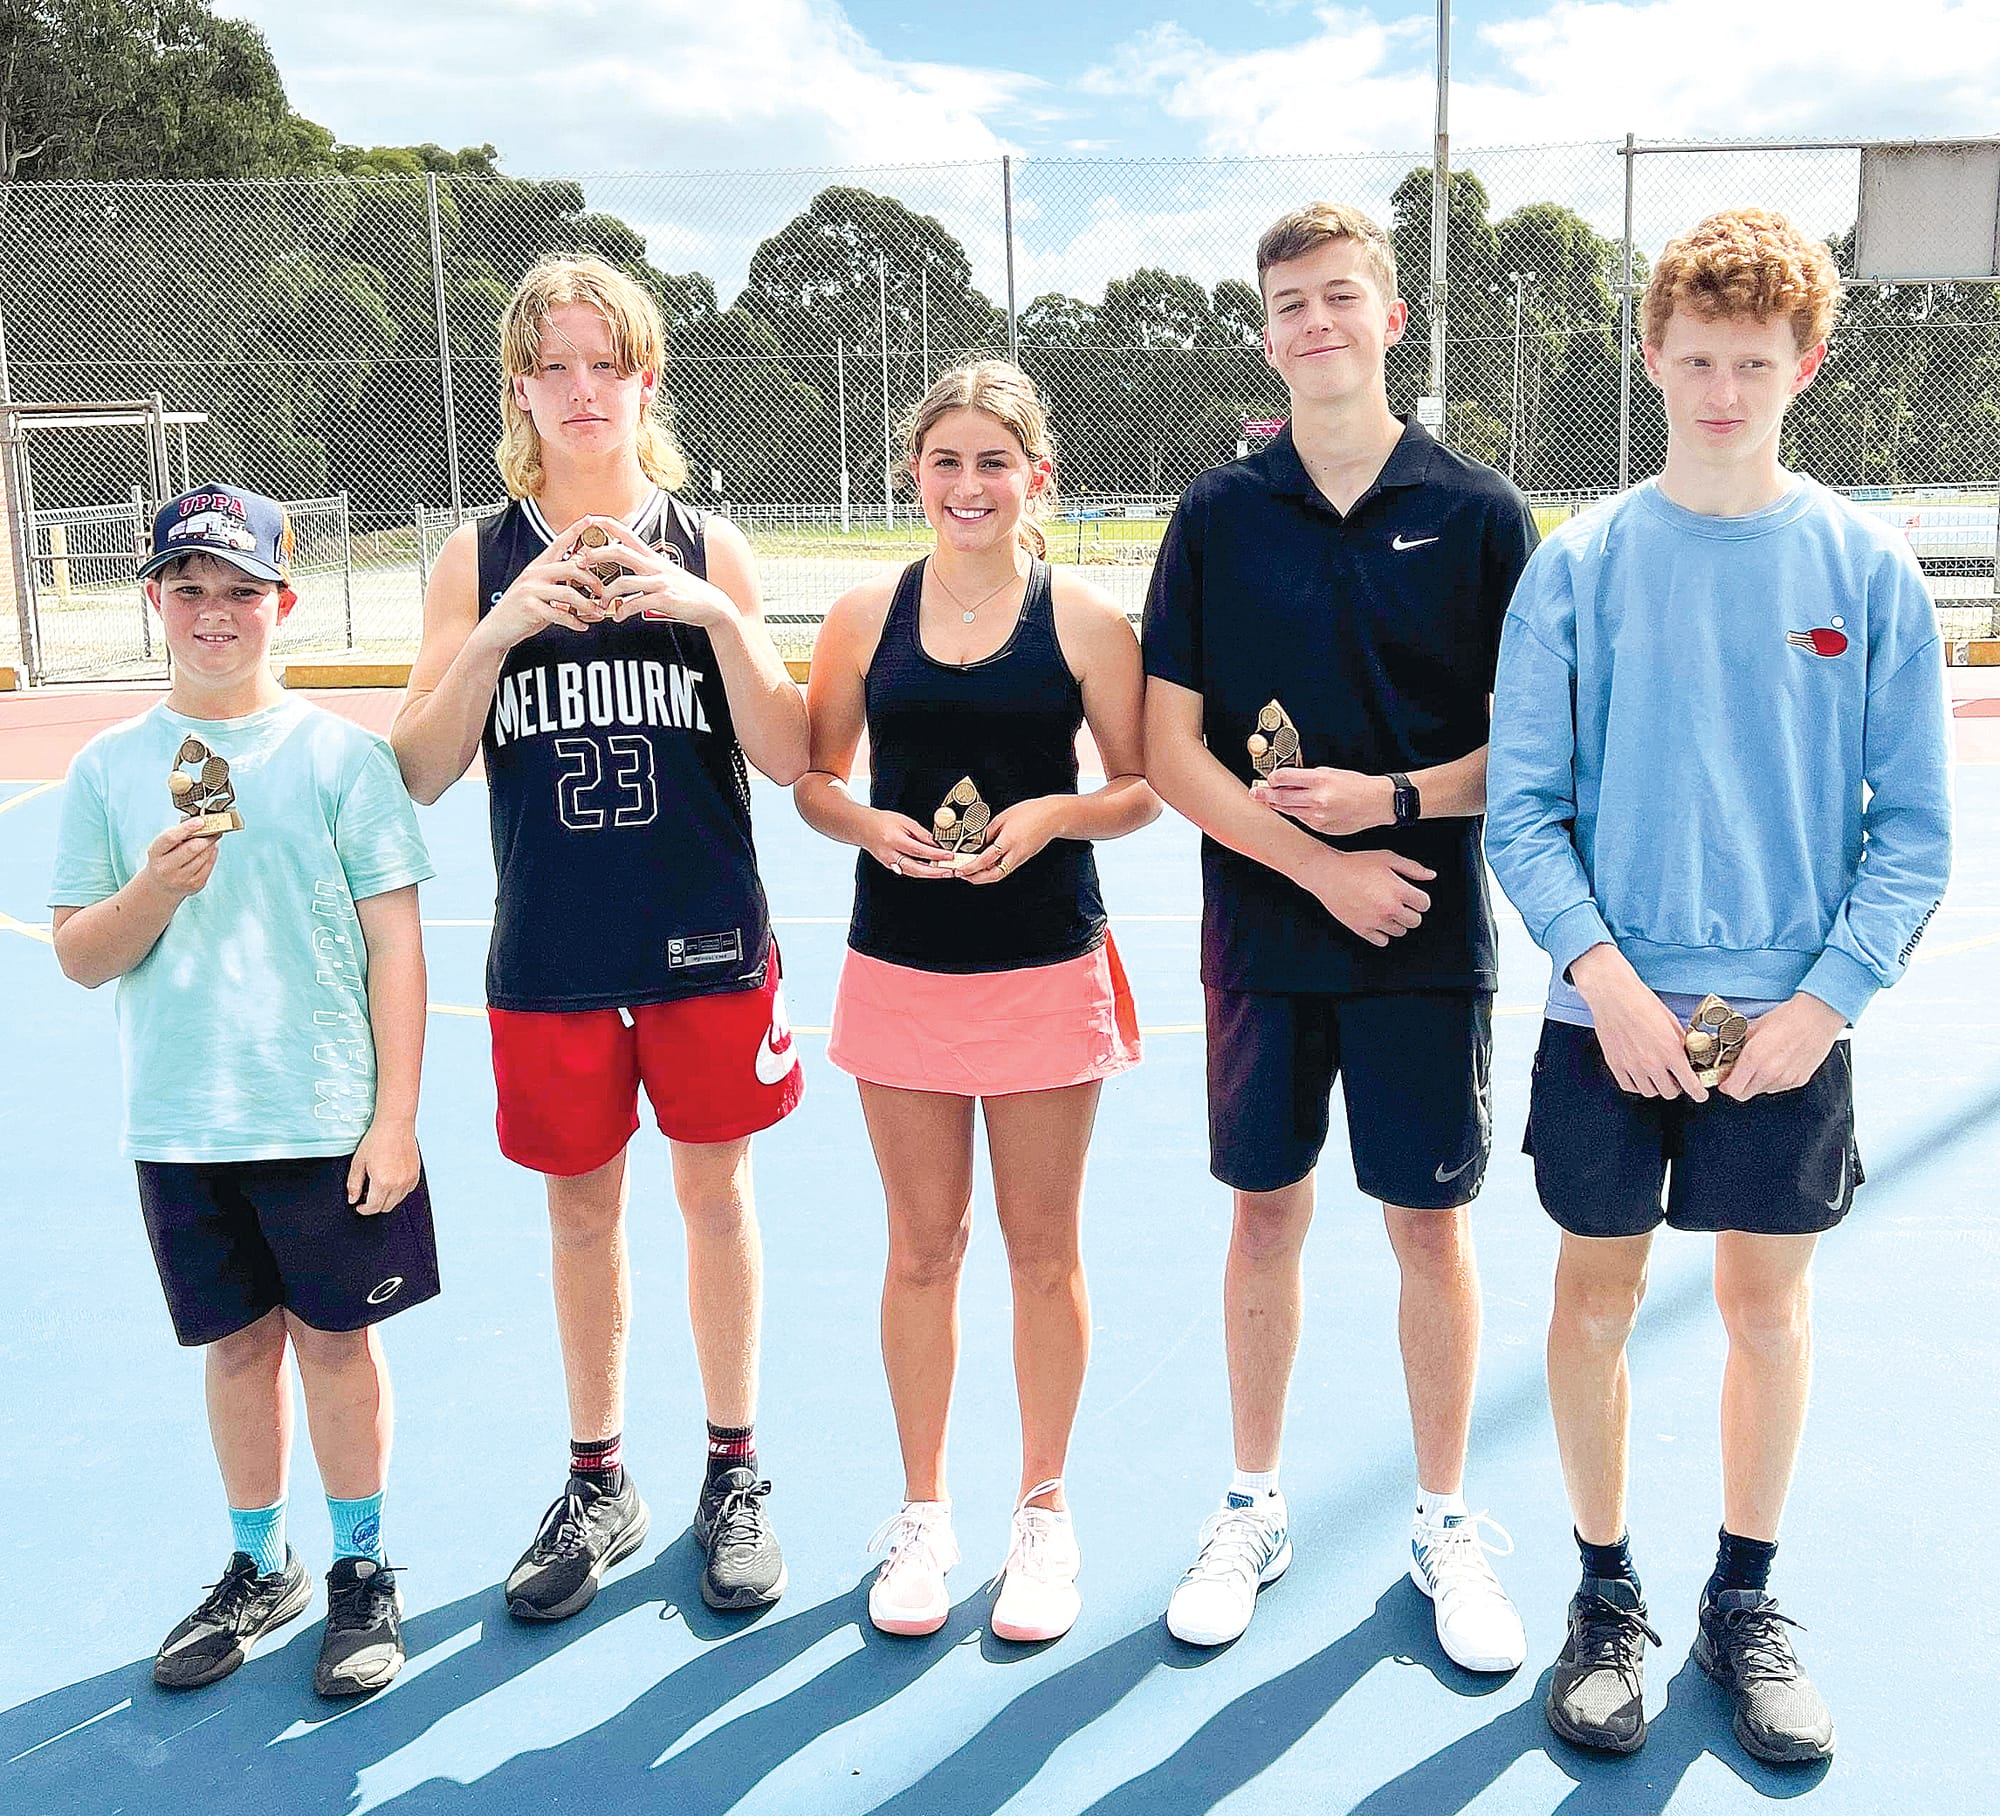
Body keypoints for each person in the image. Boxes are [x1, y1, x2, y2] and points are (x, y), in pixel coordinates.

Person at [1486, 208, 1952, 1763]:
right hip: (1604, 1017)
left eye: (1755, 363)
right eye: (1697, 360)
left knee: (1766, 1303)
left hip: (1788, 1024)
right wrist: (1600, 975)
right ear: (1654, 355)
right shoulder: (1582, 565)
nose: (1724, 393)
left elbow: (1916, 837)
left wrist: (1823, 1003)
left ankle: (1743, 1599)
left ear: (1805, 364)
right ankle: (1605, 1594)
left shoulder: (1867, 568)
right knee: (1595, 1297)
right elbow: (1526, 811)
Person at [1141, 203, 1536, 1670]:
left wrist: (1394, 802)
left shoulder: (1482, 513)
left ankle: (1443, 1517)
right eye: (1289, 304)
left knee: (1427, 1222)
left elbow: (1530, 747)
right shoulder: (1216, 514)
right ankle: (1253, 1502)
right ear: (1266, 334)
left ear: (1392, 320)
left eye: (1340, 298)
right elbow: (1172, 752)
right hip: (1268, 925)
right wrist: (1319, 863)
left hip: (1425, 930)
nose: (1315, 323)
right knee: (1264, 1211)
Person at [391, 255, 809, 1618]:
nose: (583, 390)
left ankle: (734, 1468)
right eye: (556, 366)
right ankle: (597, 1476)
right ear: (521, 388)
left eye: (606, 363)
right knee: (582, 1212)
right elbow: (419, 764)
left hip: (701, 934)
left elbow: (791, 751)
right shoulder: (479, 554)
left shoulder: (709, 544)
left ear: (647, 380)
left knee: (716, 1196)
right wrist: (502, 630)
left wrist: (714, 617)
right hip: (555, 942)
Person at [51, 486, 436, 1698]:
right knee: (233, 1350)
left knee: (336, 1343)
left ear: (283, 602)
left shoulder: (340, 757)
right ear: (155, 600)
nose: (214, 613)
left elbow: (397, 946)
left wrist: (394, 1116)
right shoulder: (112, 767)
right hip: (181, 1120)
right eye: (190, 589)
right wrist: (155, 892)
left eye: (239, 591)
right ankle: (258, 1560)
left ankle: (362, 1568)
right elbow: (78, 953)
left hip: (322, 1115)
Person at [796, 360, 1156, 1642]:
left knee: (1041, 1249)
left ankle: (1042, 1515)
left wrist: (1055, 811)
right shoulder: (860, 615)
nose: (967, 483)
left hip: (1044, 962)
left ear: (1034, 474)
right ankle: (924, 1514)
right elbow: (812, 778)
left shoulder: (1086, 621)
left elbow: (1138, 786)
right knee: (922, 1249)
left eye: (992, 461)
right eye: (944, 460)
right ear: (915, 472)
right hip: (899, 965)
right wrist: (866, 823)